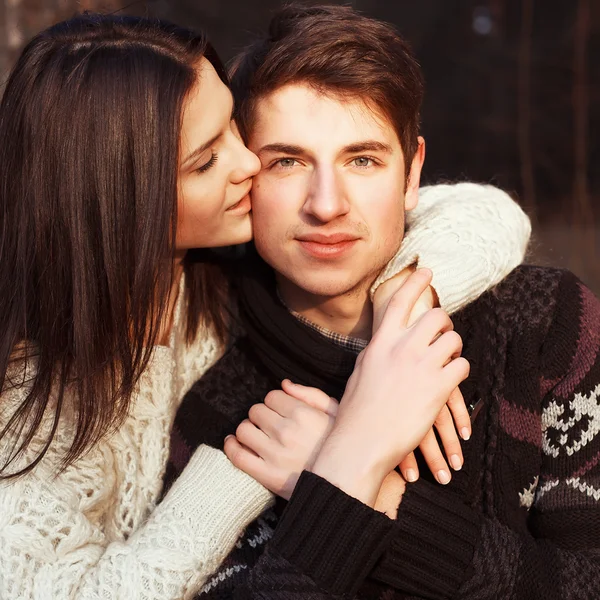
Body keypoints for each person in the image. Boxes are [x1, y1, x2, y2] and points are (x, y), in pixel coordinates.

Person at [0, 10, 529, 600]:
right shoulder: (28, 403)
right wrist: (256, 467)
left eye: (232, 126)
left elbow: (482, 211)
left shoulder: (221, 276)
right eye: (207, 160)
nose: (250, 162)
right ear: (122, 201)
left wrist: (406, 303)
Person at [170, 5, 600, 599]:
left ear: (411, 174)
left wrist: (361, 487)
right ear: (245, 177)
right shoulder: (215, 408)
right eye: (288, 162)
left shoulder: (548, 326)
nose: (326, 204)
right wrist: (353, 466)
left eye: (363, 160)